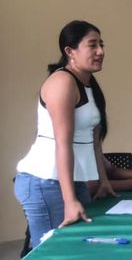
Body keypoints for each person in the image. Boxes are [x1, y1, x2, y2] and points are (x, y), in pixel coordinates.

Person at [14, 20, 116, 247]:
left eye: (101, 44)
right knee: (55, 253)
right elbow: (63, 143)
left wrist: (103, 181)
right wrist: (69, 201)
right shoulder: (62, 82)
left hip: (72, 180)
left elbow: (94, 141)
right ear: (70, 51)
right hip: (45, 182)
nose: (100, 51)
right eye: (92, 45)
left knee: (81, 246)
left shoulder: (88, 84)